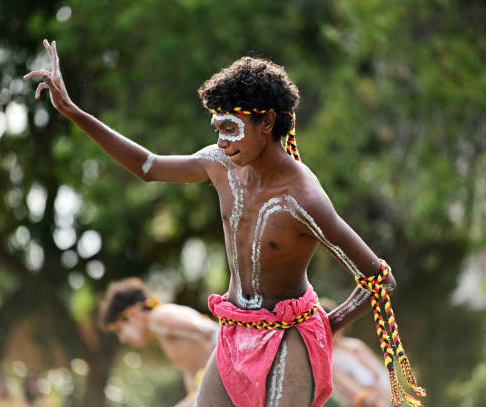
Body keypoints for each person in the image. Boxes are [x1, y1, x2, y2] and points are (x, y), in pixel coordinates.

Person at [24, 40, 425, 407]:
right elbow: (148, 167)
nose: (221, 142)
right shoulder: (220, 165)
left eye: (231, 129)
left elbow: (378, 277)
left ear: (266, 122)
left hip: (290, 338)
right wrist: (73, 112)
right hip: (233, 329)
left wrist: (327, 325)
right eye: (217, 129)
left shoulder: (302, 199)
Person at [98, 278, 219, 407]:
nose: (122, 338)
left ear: (132, 313)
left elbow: (215, 333)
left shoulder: (159, 317)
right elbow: (196, 390)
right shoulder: (161, 329)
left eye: (120, 329)